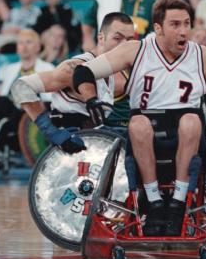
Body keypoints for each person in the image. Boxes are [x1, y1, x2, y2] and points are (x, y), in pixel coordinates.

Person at [72, 0, 206, 237]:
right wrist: (91, 99)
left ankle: (177, 204)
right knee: (138, 123)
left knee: (191, 120)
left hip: (189, 135)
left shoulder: (201, 55)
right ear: (158, 28)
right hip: (145, 133)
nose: (184, 31)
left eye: (187, 24)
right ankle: (154, 203)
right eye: (175, 24)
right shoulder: (136, 50)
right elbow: (84, 71)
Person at [11, 13, 135, 154]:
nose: (124, 45)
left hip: (94, 145)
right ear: (101, 38)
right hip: (71, 152)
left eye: (129, 39)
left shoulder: (113, 69)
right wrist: (52, 132)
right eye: (117, 38)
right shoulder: (74, 67)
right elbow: (20, 86)